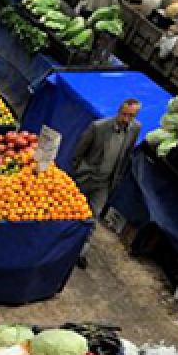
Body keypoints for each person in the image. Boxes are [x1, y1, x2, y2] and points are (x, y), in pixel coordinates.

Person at [69, 98, 141, 266]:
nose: (126, 119)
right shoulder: (99, 127)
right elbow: (78, 152)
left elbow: (127, 153)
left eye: (131, 116)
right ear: (118, 111)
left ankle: (80, 251)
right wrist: (79, 171)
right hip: (86, 178)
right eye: (124, 114)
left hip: (104, 184)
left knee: (93, 216)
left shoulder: (135, 129)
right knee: (70, 209)